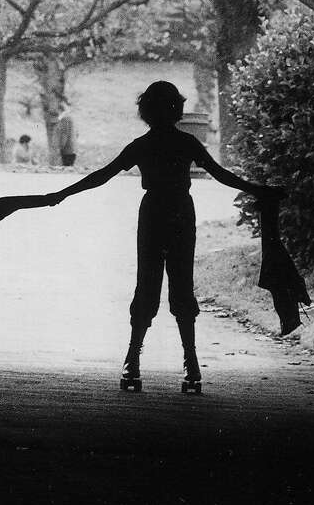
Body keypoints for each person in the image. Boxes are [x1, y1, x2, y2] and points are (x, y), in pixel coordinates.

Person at [46, 81, 282, 391]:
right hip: (182, 212)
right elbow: (220, 174)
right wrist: (259, 190)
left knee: (147, 283)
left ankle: (132, 361)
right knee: (182, 284)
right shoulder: (187, 143)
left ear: (145, 112)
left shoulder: (141, 145)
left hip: (153, 212)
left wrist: (63, 193)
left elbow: (102, 175)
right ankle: (191, 364)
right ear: (178, 110)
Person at [54, 102, 77, 167]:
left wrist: (61, 147)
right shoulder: (71, 118)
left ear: (59, 110)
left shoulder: (64, 119)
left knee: (66, 168)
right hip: (73, 149)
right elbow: (77, 133)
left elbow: (64, 134)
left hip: (67, 150)